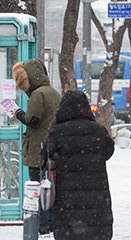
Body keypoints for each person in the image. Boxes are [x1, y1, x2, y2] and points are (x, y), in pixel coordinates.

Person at [42, 90, 114, 240]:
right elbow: (108, 151)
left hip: (66, 198)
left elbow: (46, 156)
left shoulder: (57, 132)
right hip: (97, 198)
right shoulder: (99, 131)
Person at [12, 59, 61, 235]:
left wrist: (17, 113)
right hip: (52, 146)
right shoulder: (53, 92)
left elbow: (32, 120)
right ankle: (50, 223)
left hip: (38, 149)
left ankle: (41, 225)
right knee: (49, 187)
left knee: (37, 188)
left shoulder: (38, 95)